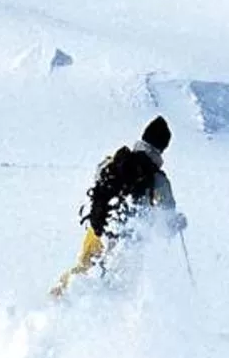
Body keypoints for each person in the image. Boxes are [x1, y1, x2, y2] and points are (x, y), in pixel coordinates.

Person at [50, 116, 184, 297]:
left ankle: (56, 300)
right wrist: (178, 222)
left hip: (99, 228)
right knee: (119, 291)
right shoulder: (159, 180)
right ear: (162, 148)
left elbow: (98, 179)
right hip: (129, 244)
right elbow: (167, 221)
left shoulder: (116, 160)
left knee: (83, 269)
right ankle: (102, 319)